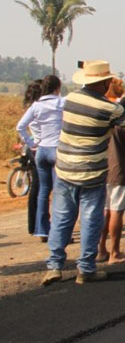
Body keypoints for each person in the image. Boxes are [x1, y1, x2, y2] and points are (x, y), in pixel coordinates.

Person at [42, 61, 125, 286]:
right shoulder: (109, 108)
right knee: (91, 218)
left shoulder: (71, 99)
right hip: (92, 172)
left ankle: (54, 266)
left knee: (61, 218)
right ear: (104, 82)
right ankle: (85, 268)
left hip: (65, 168)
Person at [98, 78, 125, 265]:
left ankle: (101, 249)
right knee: (116, 210)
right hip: (121, 169)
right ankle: (115, 252)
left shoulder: (102, 114)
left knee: (104, 210)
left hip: (104, 168)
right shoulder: (124, 120)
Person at [17, 75, 64, 243]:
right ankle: (58, 232)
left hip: (41, 150)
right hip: (57, 148)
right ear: (57, 88)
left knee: (43, 191)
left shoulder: (36, 106)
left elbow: (20, 126)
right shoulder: (61, 103)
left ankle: (42, 230)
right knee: (59, 192)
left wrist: (31, 143)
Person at [19, 79, 43, 237]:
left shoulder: (30, 106)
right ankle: (42, 226)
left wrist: (30, 143)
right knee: (44, 189)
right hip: (42, 148)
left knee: (36, 187)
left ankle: (33, 225)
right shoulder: (41, 107)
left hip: (33, 149)